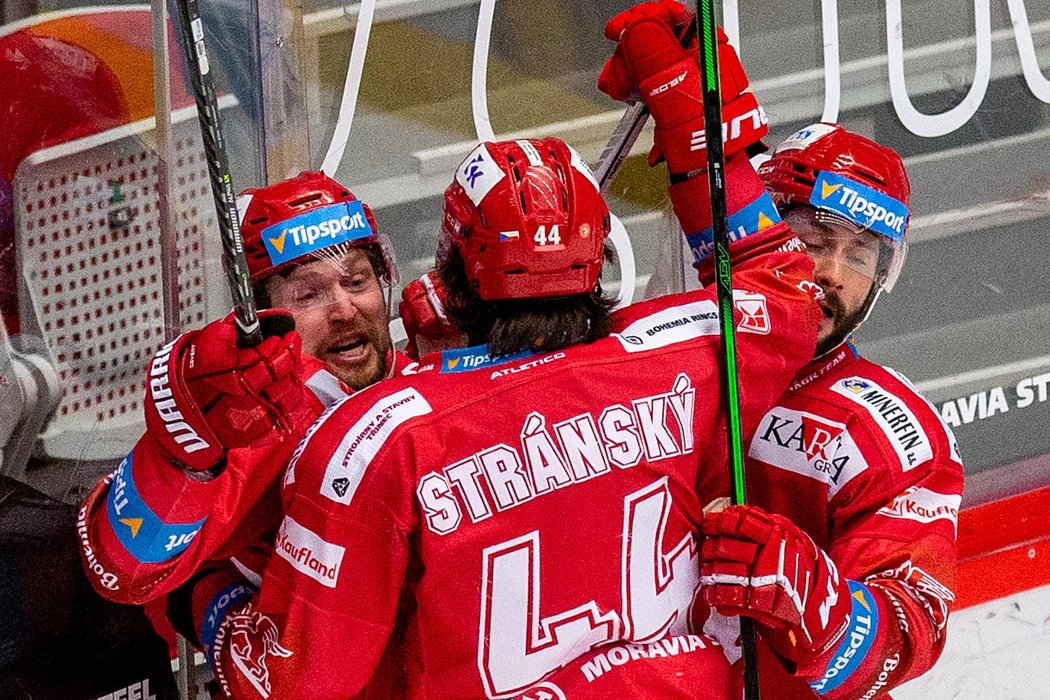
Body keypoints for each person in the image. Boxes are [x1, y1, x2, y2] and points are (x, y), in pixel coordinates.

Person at [194, 94, 822, 699]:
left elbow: (293, 680)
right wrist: (699, 136)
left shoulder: (376, 434)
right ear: (599, 253)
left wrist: (206, 598)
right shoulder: (682, 353)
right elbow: (786, 285)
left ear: (456, 274)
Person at [598, 4, 963, 698]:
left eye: (861, 254)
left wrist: (819, 603)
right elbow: (735, 237)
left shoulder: (887, 433)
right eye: (815, 238)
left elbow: (910, 630)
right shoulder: (689, 337)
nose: (832, 272)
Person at [77, 170, 412, 605]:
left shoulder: (429, 374)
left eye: (356, 281)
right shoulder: (263, 431)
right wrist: (187, 446)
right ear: (263, 314)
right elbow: (121, 568)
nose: (344, 310)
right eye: (308, 295)